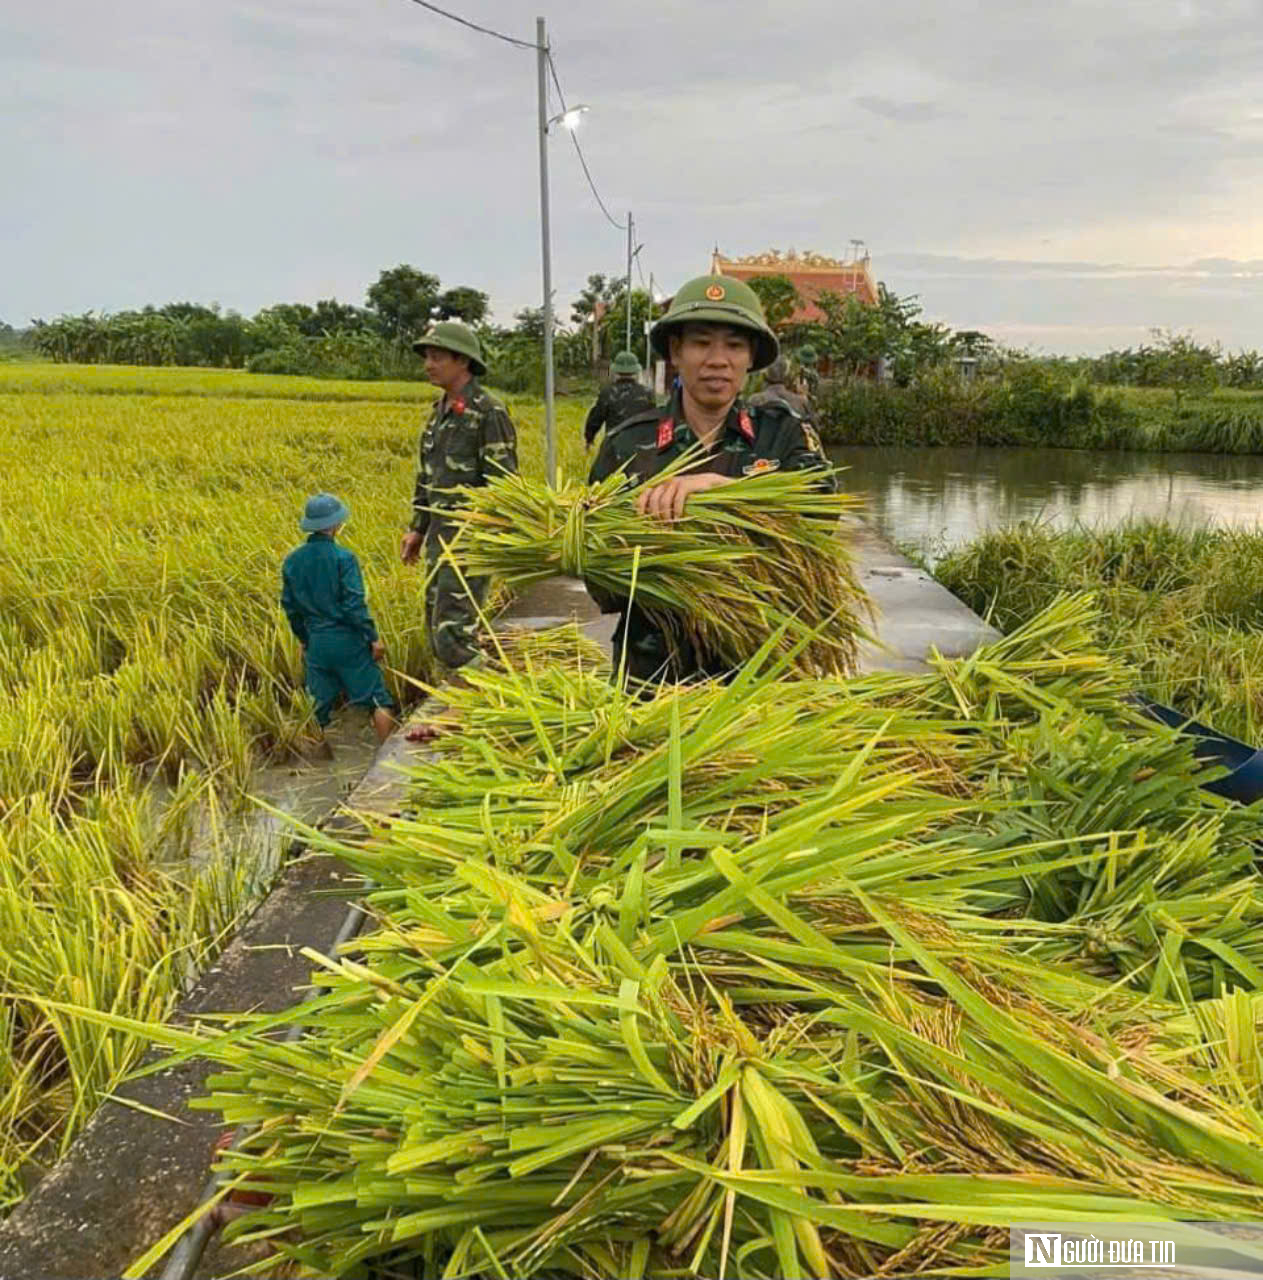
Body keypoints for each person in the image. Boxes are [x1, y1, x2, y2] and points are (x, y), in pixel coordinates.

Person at [587, 274, 837, 685]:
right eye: (702, 343)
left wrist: (727, 494)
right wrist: (653, 549)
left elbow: (822, 518)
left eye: (734, 345)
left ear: (751, 357)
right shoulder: (628, 444)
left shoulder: (783, 434)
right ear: (676, 351)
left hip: (759, 674)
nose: (717, 360)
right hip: (650, 678)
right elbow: (601, 582)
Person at [399, 321, 518, 670]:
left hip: (469, 538)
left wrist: (492, 537)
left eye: (436, 357)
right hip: (440, 536)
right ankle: (465, 699)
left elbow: (504, 483)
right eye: (427, 357)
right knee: (438, 626)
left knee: (454, 634)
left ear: (462, 361)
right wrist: (418, 528)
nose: (428, 365)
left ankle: (480, 703)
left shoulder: (488, 412)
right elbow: (427, 478)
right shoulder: (438, 415)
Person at [281, 492, 396, 745]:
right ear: (335, 525)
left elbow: (290, 607)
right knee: (378, 699)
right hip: (348, 641)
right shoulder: (344, 558)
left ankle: (318, 764)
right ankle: (388, 760)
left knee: (315, 709)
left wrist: (304, 638)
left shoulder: (292, 561)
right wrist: (372, 638)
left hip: (317, 643)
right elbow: (354, 604)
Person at [583, 350, 656, 448]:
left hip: (614, 447)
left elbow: (595, 419)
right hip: (640, 447)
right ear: (635, 371)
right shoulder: (647, 393)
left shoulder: (607, 392)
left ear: (616, 371)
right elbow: (654, 420)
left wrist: (589, 439)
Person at [748, 357, 812, 418]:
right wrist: (803, 396)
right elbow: (812, 425)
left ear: (765, 375)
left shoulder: (755, 400)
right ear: (787, 376)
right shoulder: (800, 402)